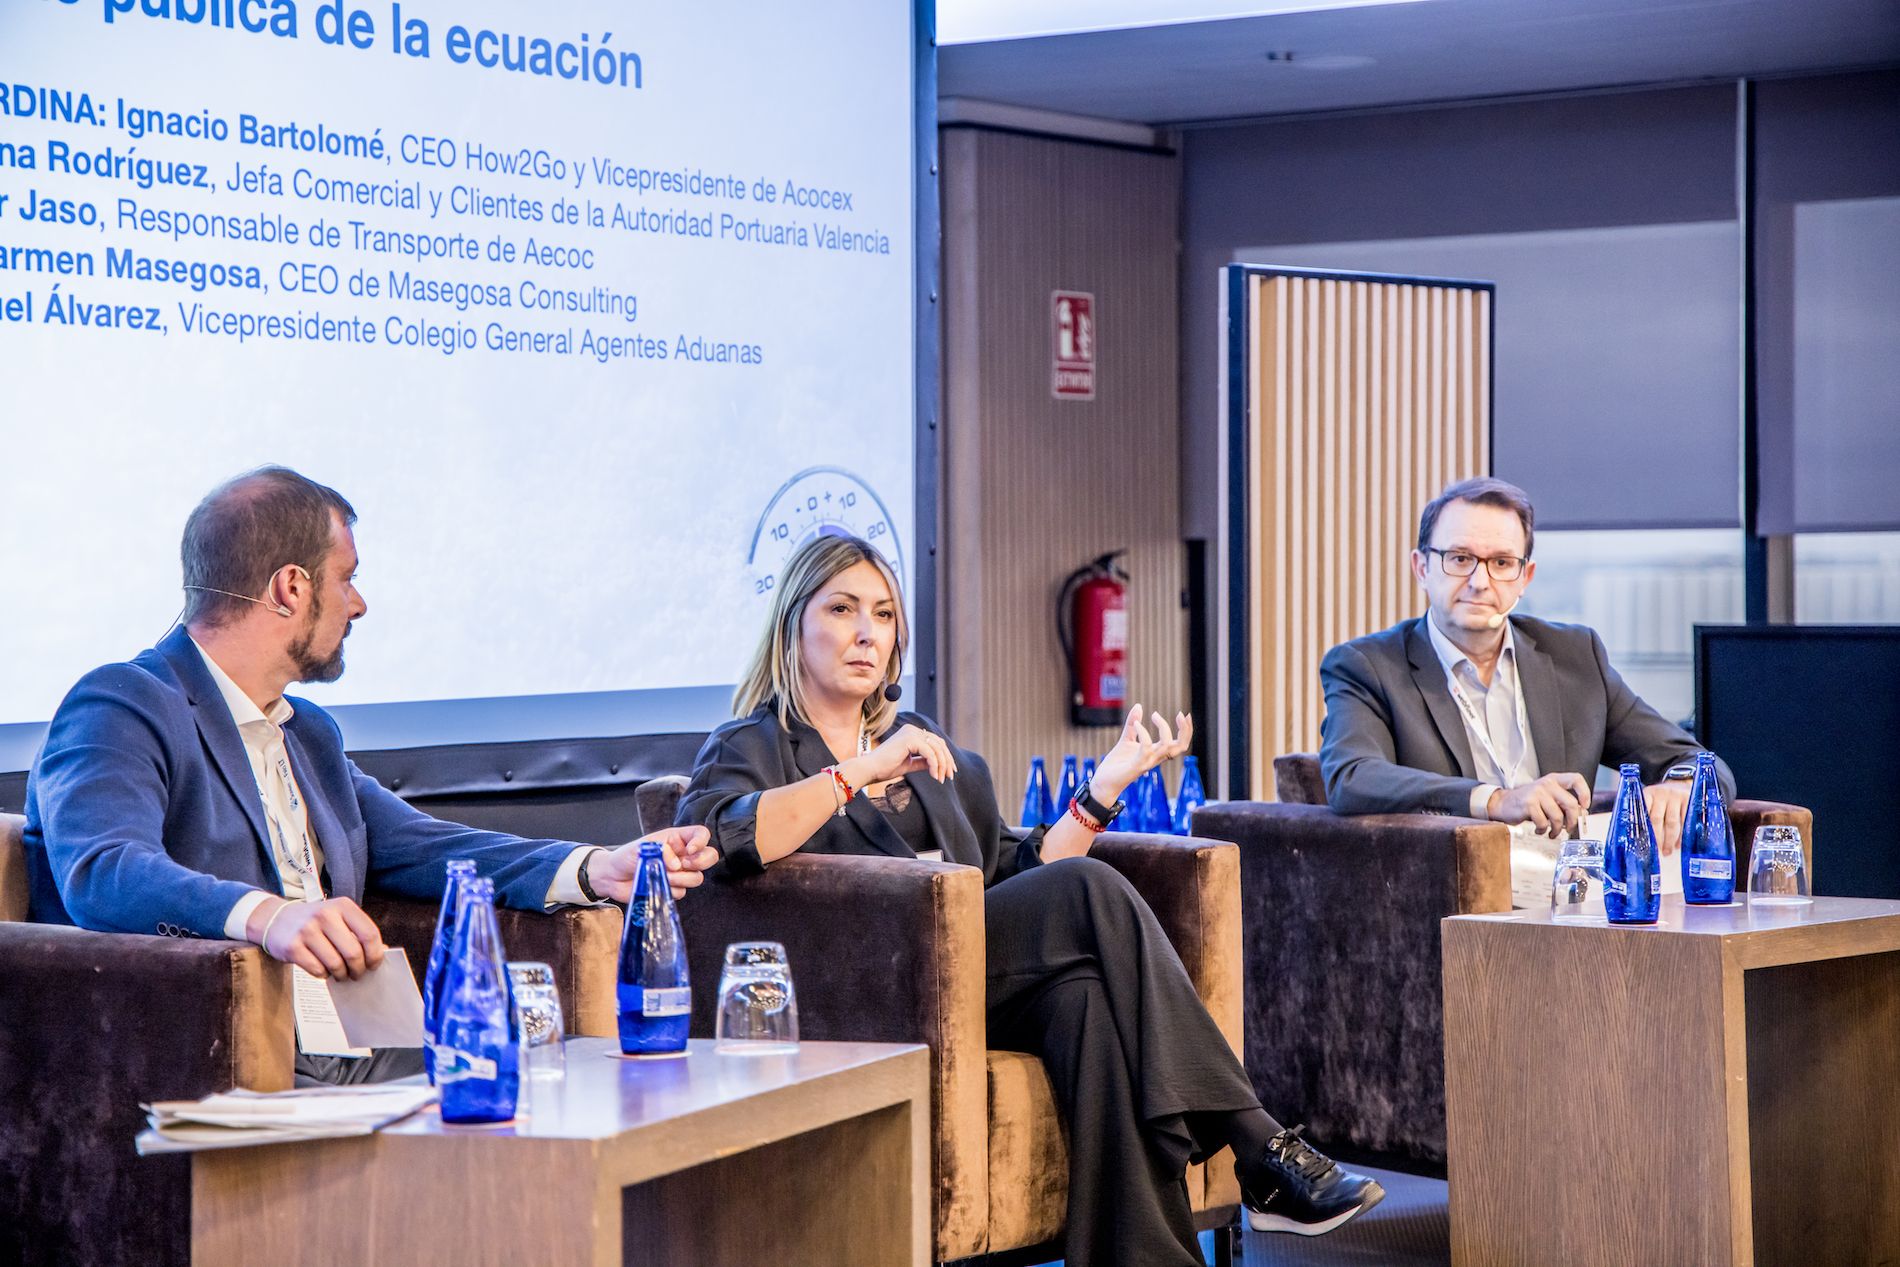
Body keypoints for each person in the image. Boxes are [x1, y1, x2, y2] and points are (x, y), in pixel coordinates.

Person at [677, 533, 1384, 1266]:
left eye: (883, 615)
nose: (866, 632)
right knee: (1088, 897)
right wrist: (856, 770)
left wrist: (1102, 792)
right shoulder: (751, 744)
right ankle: (1257, 1140)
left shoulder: (928, 752)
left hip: (972, 978)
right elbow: (719, 836)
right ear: (793, 625)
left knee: (1087, 1003)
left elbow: (1016, 877)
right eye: (842, 608)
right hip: (869, 994)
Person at [22, 466, 718, 1083]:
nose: (359, 604)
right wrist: (271, 918)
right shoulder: (123, 701)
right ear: (291, 587)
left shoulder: (308, 733)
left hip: (368, 1053)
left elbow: (422, 844)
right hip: (213, 1059)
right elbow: (105, 869)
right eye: (346, 578)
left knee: (579, 1088)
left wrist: (595, 868)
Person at [1319, 476, 1735, 903]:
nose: (1480, 581)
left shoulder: (1574, 656)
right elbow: (1352, 777)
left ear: (1525, 576)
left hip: (1575, 905)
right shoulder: (1368, 665)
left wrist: (1682, 785)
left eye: (1501, 563)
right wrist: (1495, 801)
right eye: (1460, 558)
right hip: (1450, 904)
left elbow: (1700, 762)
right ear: (1422, 568)